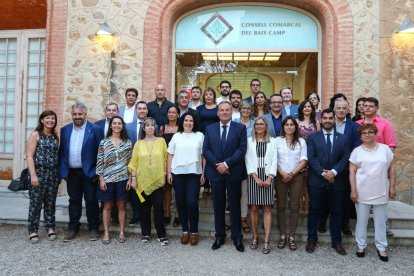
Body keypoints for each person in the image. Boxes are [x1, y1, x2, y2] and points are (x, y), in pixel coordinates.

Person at [203, 101, 247, 252]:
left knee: (235, 206)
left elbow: (242, 149)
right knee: (218, 205)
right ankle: (219, 236)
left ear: (231, 112)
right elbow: (206, 149)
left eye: (227, 110)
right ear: (217, 113)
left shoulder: (240, 128)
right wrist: (219, 166)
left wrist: (227, 164)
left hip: (234, 172)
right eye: (221, 110)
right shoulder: (210, 129)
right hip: (216, 173)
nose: (224, 112)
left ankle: (237, 237)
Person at [305, 109, 350, 255]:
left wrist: (334, 172)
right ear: (321, 120)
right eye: (325, 118)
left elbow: (345, 158)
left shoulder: (343, 138)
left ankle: (336, 242)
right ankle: (312, 239)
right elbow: (311, 158)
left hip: (338, 181)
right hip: (317, 180)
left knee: (336, 212)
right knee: (314, 211)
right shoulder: (313, 137)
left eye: (331, 118)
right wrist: (324, 173)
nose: (328, 120)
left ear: (334, 119)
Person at [349, 123, 396, 262]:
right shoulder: (357, 151)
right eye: (364, 133)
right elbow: (352, 172)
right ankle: (361, 245)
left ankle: (381, 247)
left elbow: (392, 169)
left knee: (380, 221)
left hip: (381, 190)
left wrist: (392, 186)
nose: (367, 135)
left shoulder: (385, 149)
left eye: (370, 132)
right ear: (361, 135)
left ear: (375, 133)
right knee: (361, 221)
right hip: (362, 191)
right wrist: (353, 190)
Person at [59, 103, 103, 241]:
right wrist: (63, 171)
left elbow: (100, 152)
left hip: (89, 173)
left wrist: (97, 172)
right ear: (71, 114)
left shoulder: (95, 129)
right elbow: (62, 152)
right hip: (71, 173)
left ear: (85, 114)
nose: (77, 117)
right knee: (74, 201)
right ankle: (73, 229)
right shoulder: (65, 130)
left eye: (80, 114)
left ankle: (94, 229)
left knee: (91, 201)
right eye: (74, 114)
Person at [356, 97, 397, 237]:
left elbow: (391, 147)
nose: (367, 108)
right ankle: (362, 229)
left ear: (377, 108)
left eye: (370, 106)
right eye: (365, 106)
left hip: (379, 170)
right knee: (362, 202)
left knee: (380, 201)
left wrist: (384, 168)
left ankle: (383, 225)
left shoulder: (385, 124)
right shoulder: (357, 124)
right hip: (362, 171)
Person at [128, 118, 169, 245]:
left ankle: (161, 235)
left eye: (152, 125)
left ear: (155, 128)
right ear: (144, 128)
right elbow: (134, 162)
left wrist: (165, 173)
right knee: (144, 209)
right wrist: (133, 179)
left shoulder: (161, 141)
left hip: (157, 180)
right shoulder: (138, 143)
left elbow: (165, 159)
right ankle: (145, 233)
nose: (150, 127)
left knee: (158, 208)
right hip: (142, 180)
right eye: (148, 125)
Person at [167, 112, 205, 246]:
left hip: (194, 173)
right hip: (178, 173)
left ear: (194, 123)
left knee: (192, 202)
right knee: (180, 202)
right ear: (182, 122)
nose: (188, 123)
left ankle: (194, 231)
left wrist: (203, 173)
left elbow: (203, 156)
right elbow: (170, 155)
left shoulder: (200, 136)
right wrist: (169, 173)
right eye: (186, 120)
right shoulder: (176, 136)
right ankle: (185, 231)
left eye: (191, 121)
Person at [96, 116, 132, 244]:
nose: (117, 125)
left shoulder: (127, 142)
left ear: (122, 126)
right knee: (107, 206)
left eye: (119, 123)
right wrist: (101, 179)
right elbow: (99, 162)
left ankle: (122, 232)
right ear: (111, 126)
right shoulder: (104, 142)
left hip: (122, 178)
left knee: (122, 206)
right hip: (108, 179)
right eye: (114, 123)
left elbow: (130, 162)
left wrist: (130, 178)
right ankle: (106, 233)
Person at [26, 110, 59, 244]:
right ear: (42, 120)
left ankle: (50, 227)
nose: (50, 120)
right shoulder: (36, 135)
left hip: (52, 173)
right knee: (36, 203)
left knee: (51, 202)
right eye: (47, 118)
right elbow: (29, 156)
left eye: (52, 118)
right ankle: (33, 229)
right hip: (38, 173)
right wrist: (33, 175)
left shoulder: (55, 136)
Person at [245, 117, 277, 254]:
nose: (259, 126)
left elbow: (275, 159)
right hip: (253, 176)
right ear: (254, 126)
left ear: (266, 126)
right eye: (257, 124)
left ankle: (266, 240)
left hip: (268, 175)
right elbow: (247, 159)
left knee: (267, 208)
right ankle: (255, 237)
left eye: (261, 124)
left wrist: (270, 177)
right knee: (253, 208)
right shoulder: (249, 141)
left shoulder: (273, 141)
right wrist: (255, 177)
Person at [275, 117, 308, 251]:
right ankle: (283, 235)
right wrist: (283, 173)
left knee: (295, 206)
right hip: (280, 176)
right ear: (283, 127)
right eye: (286, 125)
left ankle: (292, 236)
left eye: (291, 124)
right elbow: (273, 159)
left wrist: (292, 174)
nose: (289, 127)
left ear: (295, 127)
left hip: (296, 177)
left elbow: (304, 160)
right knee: (281, 205)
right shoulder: (277, 141)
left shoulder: (301, 141)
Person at [125, 101, 150, 227]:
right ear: (136, 111)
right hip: (133, 161)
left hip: (148, 163)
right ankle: (136, 215)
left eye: (144, 108)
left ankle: (146, 215)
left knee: (147, 188)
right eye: (139, 108)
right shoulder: (128, 126)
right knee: (134, 190)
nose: (141, 111)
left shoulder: (153, 125)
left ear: (147, 110)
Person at [296, 100, 320, 214]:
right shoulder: (296, 121)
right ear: (301, 109)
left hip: (312, 155)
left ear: (312, 108)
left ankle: (307, 205)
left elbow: (320, 140)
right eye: (305, 106)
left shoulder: (316, 122)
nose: (307, 108)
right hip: (299, 155)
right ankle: (300, 205)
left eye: (309, 106)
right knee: (300, 182)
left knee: (309, 182)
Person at [159, 106, 180, 226]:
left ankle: (178, 213)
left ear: (178, 115)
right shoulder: (162, 128)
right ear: (167, 114)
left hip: (178, 161)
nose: (171, 114)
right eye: (170, 112)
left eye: (174, 112)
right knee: (167, 188)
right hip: (166, 161)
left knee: (178, 189)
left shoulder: (181, 128)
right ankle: (167, 212)